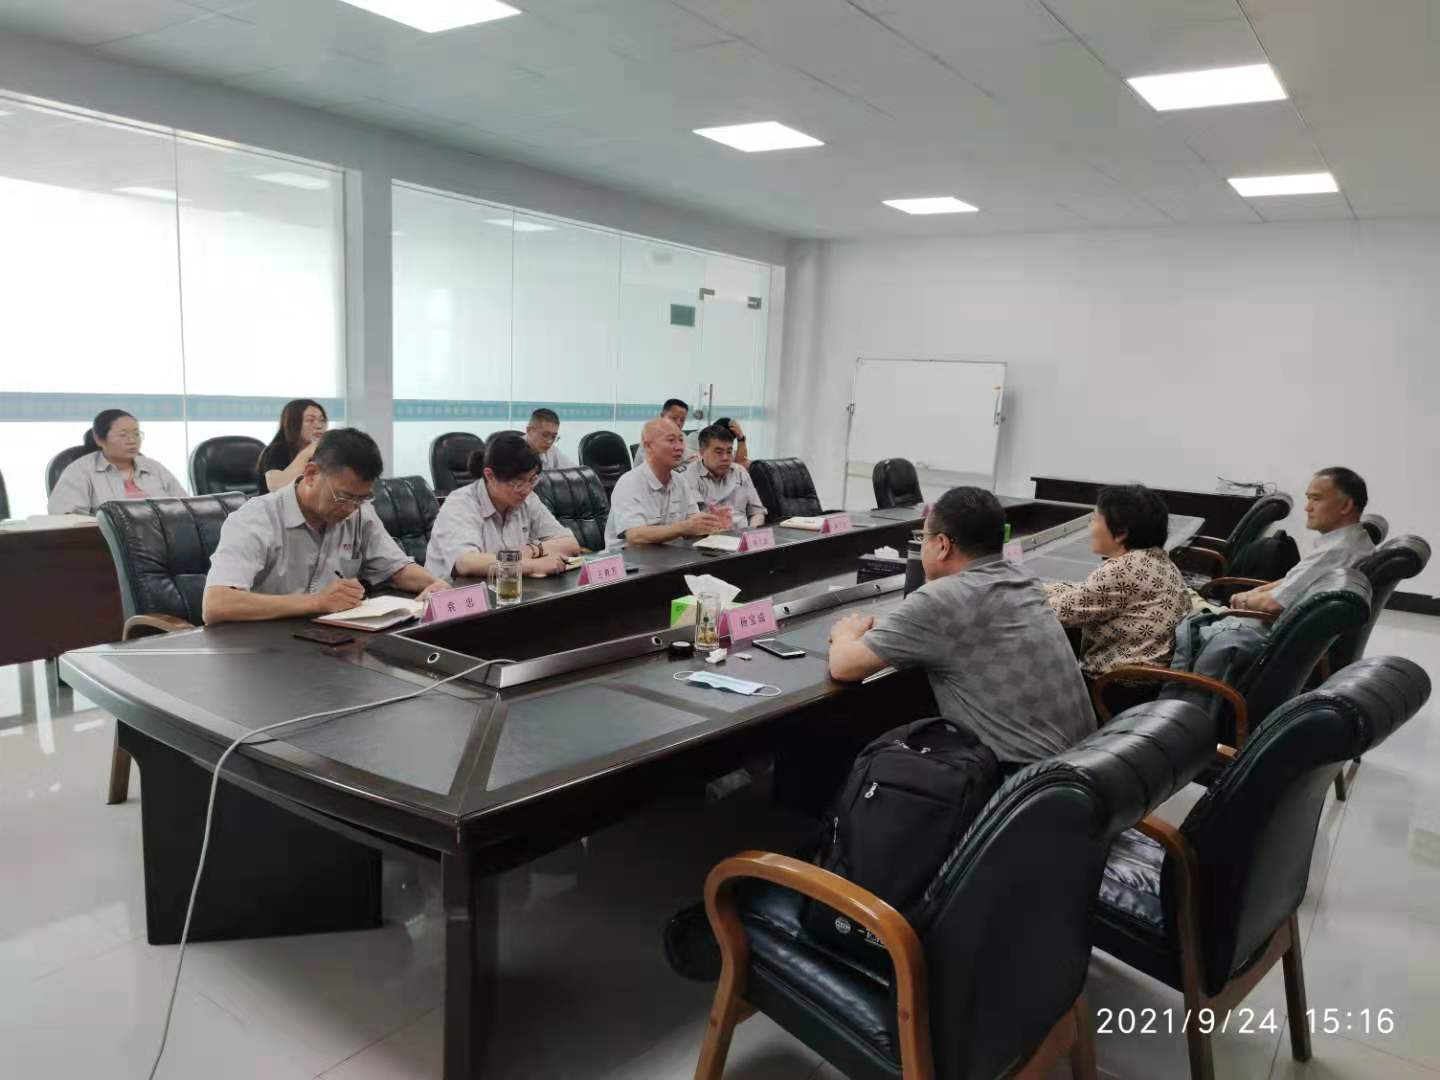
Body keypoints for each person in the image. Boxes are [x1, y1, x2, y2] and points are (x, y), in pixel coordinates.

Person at [827, 486, 1093, 770]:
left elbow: (845, 666)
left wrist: (845, 633)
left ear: (942, 544)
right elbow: (970, 627)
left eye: (923, 538)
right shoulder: (1023, 578)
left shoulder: (941, 599)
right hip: (1084, 768)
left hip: (1021, 782)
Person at [203, 428, 446, 625]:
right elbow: (216, 604)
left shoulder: (360, 512)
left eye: (362, 498)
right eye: (344, 497)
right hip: (263, 646)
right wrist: (316, 602)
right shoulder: (256, 518)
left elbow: (396, 568)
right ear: (311, 474)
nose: (351, 508)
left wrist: (435, 584)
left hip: (330, 640)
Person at [1044, 484, 1190, 684]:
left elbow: (1057, 612)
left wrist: (1024, 593)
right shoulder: (1155, 559)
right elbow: (1085, 594)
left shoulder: (1122, 570)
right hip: (1150, 681)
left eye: (1095, 519)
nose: (1090, 527)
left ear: (1121, 533)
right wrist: (1040, 588)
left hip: (1115, 687)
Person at [424, 432, 582, 579]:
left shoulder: (528, 499)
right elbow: (467, 562)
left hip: (508, 589)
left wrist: (532, 550)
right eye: (517, 482)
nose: (526, 489)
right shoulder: (461, 503)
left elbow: (570, 543)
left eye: (532, 480)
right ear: (490, 476)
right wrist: (533, 566)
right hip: (456, 594)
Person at [1228, 467, 1374, 613]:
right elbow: (1291, 581)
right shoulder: (1355, 539)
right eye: (1308, 499)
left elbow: (1272, 603)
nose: (1307, 508)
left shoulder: (1335, 551)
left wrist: (1241, 600)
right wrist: (1254, 592)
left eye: (1316, 499)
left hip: (1267, 623)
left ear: (1345, 506)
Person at [605, 418, 726, 547]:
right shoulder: (629, 483)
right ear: (648, 446)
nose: (680, 447)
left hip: (668, 556)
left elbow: (691, 527)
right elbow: (635, 536)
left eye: (681, 440)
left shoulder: (680, 482)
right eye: (671, 440)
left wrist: (710, 522)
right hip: (629, 557)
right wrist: (684, 527)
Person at [48, 409, 189, 515]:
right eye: (123, 435)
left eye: (136, 434)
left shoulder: (154, 467)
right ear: (99, 439)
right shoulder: (80, 470)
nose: (132, 440)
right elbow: (65, 516)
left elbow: (187, 507)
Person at [691, 423, 766, 527]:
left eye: (729, 452)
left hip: (743, 533)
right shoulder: (689, 477)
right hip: (710, 534)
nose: (725, 458)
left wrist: (750, 531)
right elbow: (692, 521)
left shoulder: (739, 472)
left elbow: (757, 512)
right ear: (702, 452)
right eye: (719, 452)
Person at [257, 398, 328, 493]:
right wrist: (307, 452)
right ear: (293, 423)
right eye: (310, 420)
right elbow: (277, 487)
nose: (319, 426)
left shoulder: (325, 451)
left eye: (322, 420)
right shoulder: (275, 451)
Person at [634, 399, 700, 466]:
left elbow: (691, 456)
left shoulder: (681, 435)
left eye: (682, 420)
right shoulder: (651, 433)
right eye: (674, 418)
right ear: (662, 416)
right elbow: (656, 464)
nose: (678, 423)